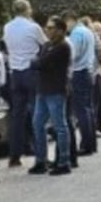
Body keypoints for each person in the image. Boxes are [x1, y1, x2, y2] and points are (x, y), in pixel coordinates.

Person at [2, 0, 47, 168]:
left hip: (15, 73)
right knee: (37, 113)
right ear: (27, 10)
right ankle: (40, 154)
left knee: (17, 115)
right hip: (31, 71)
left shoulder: (7, 27)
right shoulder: (33, 27)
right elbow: (45, 44)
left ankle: (14, 155)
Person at [29, 16, 73, 176]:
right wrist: (38, 62)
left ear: (61, 30)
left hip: (55, 90)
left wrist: (38, 62)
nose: (47, 31)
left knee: (59, 126)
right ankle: (41, 160)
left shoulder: (63, 47)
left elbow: (39, 63)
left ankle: (64, 161)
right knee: (37, 124)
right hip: (42, 89)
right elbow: (38, 61)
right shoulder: (47, 45)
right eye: (47, 27)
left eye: (51, 28)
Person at [65, 12, 99, 154]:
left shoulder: (76, 34)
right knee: (88, 109)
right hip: (88, 71)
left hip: (79, 72)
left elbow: (73, 54)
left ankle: (86, 144)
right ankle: (91, 143)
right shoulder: (87, 31)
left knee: (82, 111)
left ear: (70, 20)